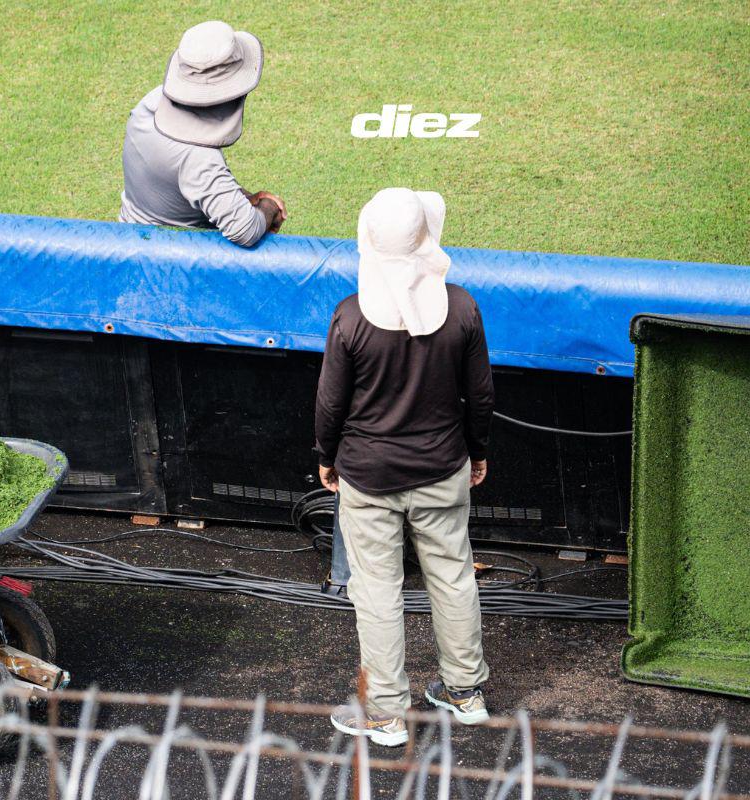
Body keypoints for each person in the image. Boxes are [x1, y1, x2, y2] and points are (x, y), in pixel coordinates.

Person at [315, 188, 494, 747]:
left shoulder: (349, 317)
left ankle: (386, 715)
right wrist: (478, 451)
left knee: (377, 592)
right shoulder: (461, 307)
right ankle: (465, 694)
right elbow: (480, 396)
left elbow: (330, 405)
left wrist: (327, 457)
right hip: (443, 469)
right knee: (453, 576)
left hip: (368, 478)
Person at [119, 20, 286, 246]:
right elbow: (245, 230)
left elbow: (181, 181)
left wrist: (243, 198)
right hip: (169, 261)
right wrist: (270, 207)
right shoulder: (199, 160)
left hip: (129, 237)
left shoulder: (149, 104)